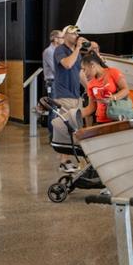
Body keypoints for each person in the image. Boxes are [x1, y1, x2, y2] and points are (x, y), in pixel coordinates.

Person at [52, 25, 87, 172]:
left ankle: (68, 159)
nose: (76, 37)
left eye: (77, 34)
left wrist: (89, 88)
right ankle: (64, 161)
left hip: (75, 95)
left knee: (75, 126)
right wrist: (78, 49)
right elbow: (67, 64)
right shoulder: (60, 50)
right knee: (66, 126)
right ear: (65, 36)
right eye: (73, 34)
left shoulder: (75, 53)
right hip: (64, 94)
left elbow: (79, 72)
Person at [79, 52, 130, 125]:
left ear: (92, 65)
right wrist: (73, 115)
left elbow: (126, 90)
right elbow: (91, 108)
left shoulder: (113, 72)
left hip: (117, 118)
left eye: (84, 69)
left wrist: (113, 98)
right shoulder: (90, 84)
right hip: (101, 120)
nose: (83, 73)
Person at [42, 29, 63, 95]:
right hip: (52, 82)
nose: (64, 40)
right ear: (55, 39)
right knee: (53, 104)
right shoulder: (49, 51)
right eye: (62, 38)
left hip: (58, 81)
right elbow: (55, 68)